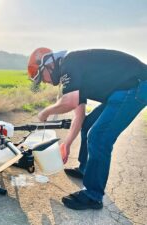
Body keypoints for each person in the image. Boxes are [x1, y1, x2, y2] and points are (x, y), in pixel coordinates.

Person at [27, 48, 147, 210]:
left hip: (136, 86)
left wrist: (46, 112)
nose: (44, 82)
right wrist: (67, 145)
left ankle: (93, 195)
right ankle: (85, 169)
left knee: (99, 137)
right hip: (122, 90)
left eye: (42, 77)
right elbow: (79, 115)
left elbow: (68, 102)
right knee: (89, 124)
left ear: (48, 65)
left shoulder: (69, 63)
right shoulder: (74, 74)